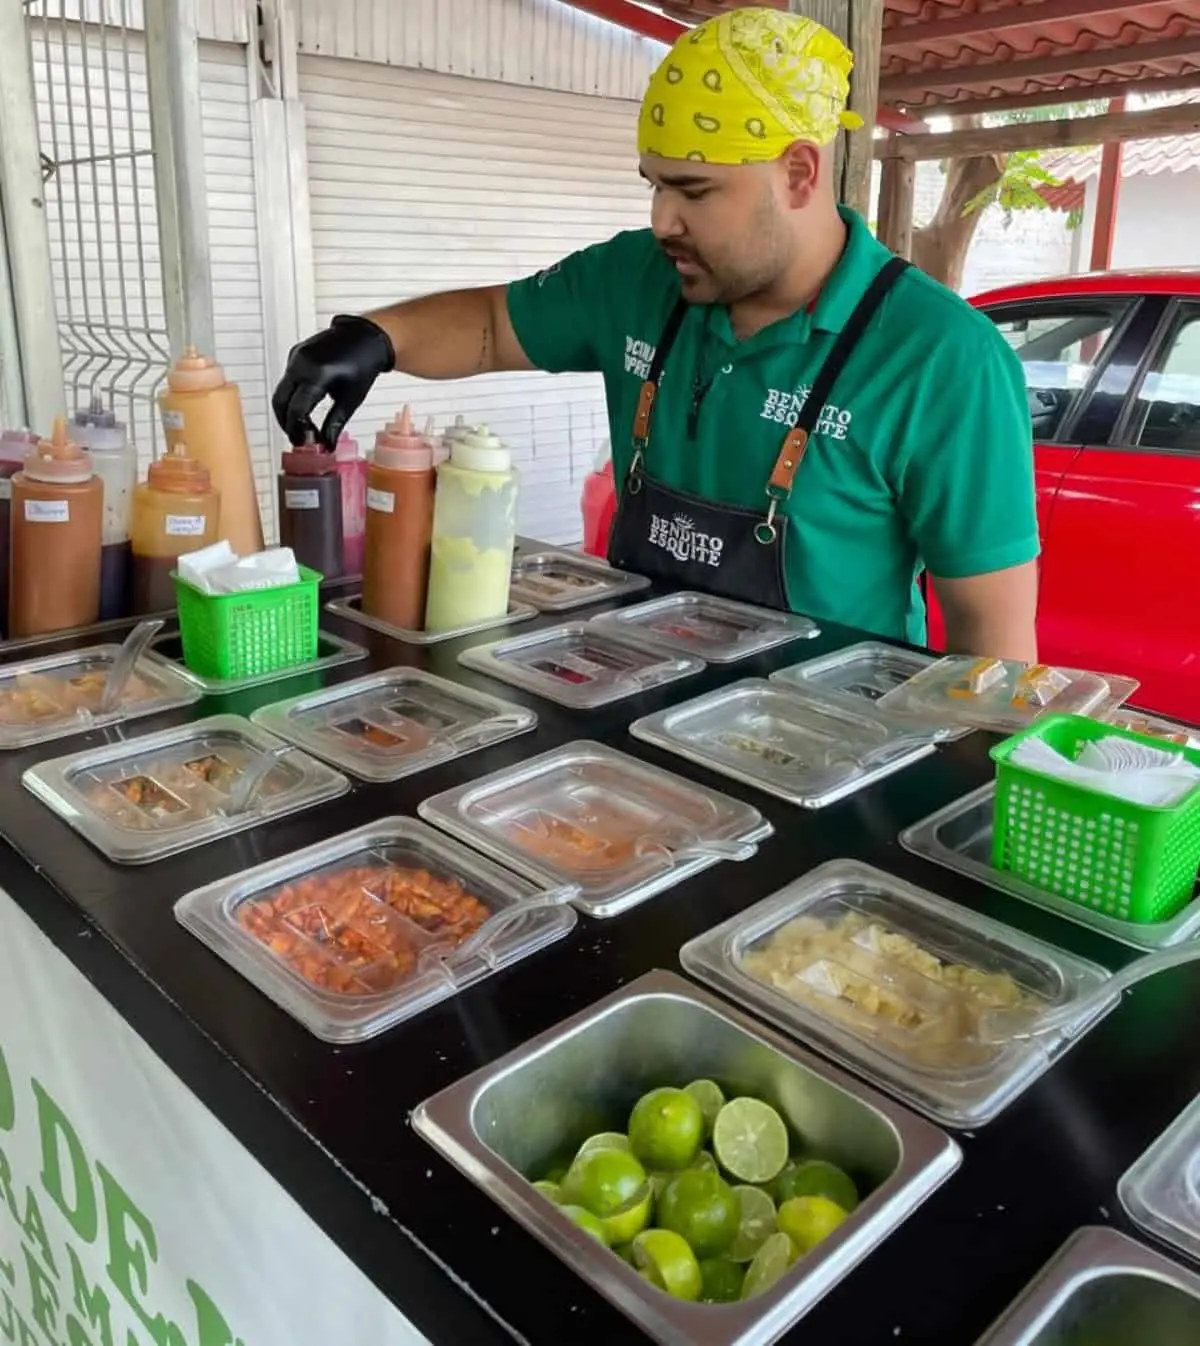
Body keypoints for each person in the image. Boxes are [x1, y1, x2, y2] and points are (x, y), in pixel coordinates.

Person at [273, 7, 1039, 660]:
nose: (662, 221)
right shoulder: (637, 279)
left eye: (694, 191)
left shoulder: (944, 360)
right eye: (656, 185)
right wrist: (373, 337)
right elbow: (488, 326)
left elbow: (993, 637)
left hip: (826, 757)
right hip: (634, 704)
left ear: (800, 174)